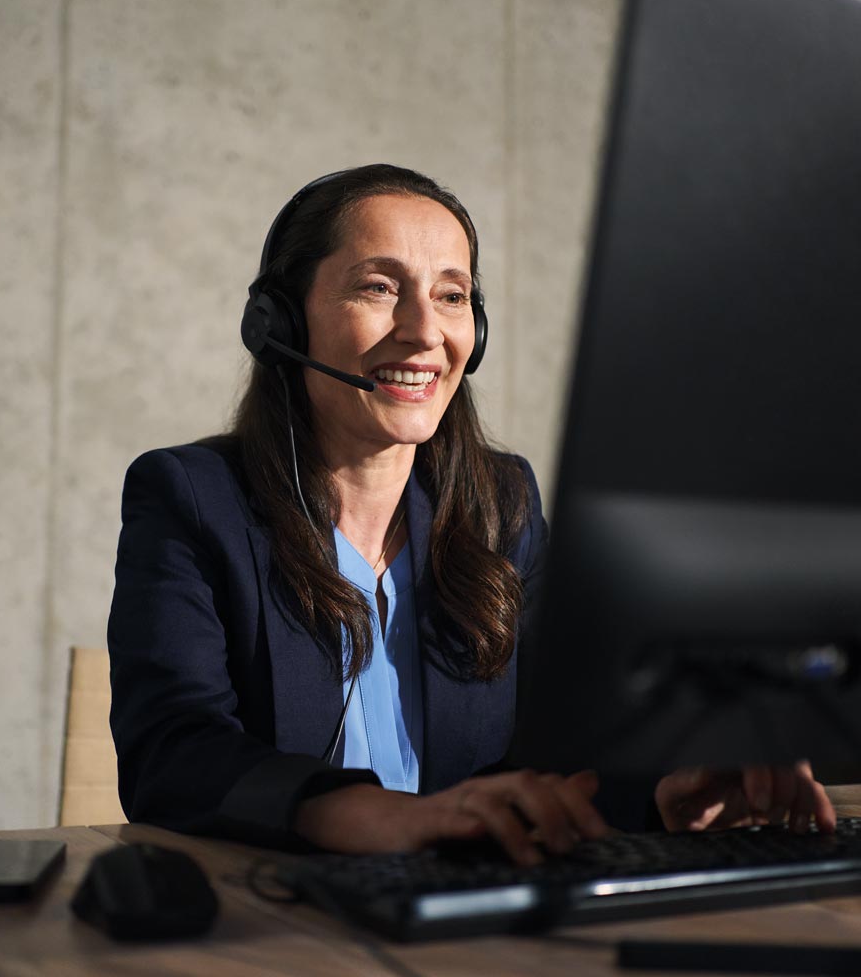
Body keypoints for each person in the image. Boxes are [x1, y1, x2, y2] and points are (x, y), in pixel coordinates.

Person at [107, 163, 834, 864]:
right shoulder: (193, 496)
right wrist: (386, 817)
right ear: (281, 323)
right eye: (379, 287)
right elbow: (171, 751)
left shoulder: (502, 505)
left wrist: (664, 781)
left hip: (466, 925)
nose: (425, 331)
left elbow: (563, 750)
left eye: (452, 296)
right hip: (275, 922)